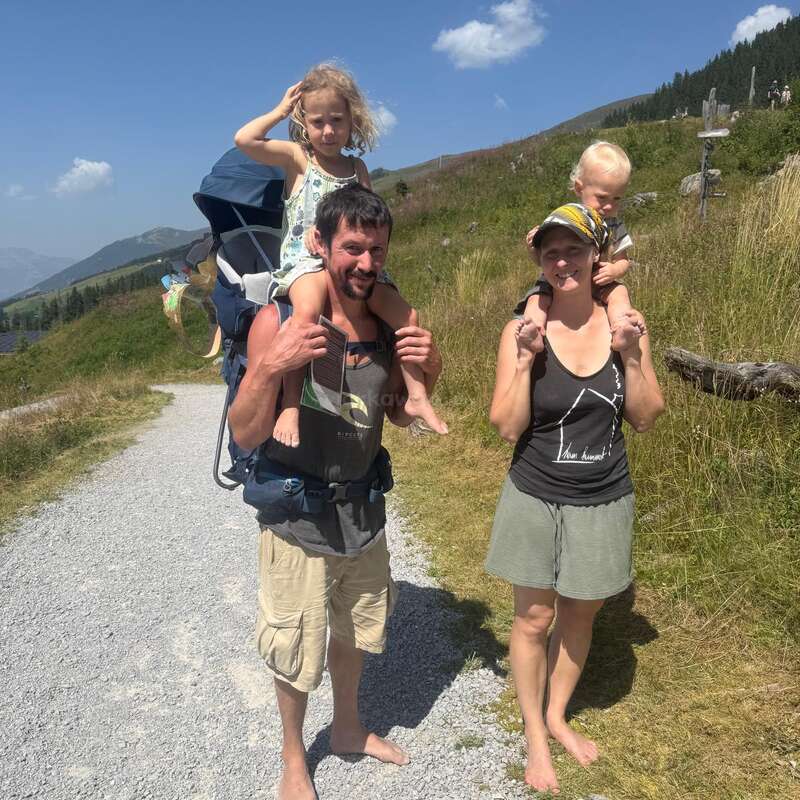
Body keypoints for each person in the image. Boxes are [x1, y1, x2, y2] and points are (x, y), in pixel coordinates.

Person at [228, 184, 443, 800]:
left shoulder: (384, 323)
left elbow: (396, 414)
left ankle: (347, 728)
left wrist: (427, 368)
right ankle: (294, 758)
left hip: (363, 515)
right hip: (296, 518)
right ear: (319, 245)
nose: (366, 264)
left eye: (376, 250)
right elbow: (246, 432)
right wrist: (270, 366)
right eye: (352, 248)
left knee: (354, 631)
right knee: (296, 648)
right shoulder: (279, 319)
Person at [485, 204, 664, 794]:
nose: (563, 261)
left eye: (574, 251)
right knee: (534, 617)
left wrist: (633, 355)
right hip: (535, 493)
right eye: (551, 252)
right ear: (540, 261)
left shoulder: (624, 326)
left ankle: (558, 714)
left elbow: (646, 417)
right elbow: (506, 427)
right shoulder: (522, 329)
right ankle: (535, 733)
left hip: (604, 495)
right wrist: (524, 358)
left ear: (595, 259)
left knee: (581, 611)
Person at [234, 62, 447, 448]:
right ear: (304, 123)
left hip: (353, 263)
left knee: (408, 317)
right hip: (307, 265)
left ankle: (416, 394)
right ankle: (293, 405)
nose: (328, 131)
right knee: (305, 321)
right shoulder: (298, 159)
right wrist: (280, 112)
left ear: (352, 121)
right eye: (318, 122)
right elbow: (245, 140)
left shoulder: (357, 166)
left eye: (337, 120)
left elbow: (370, 214)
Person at [520, 142, 641, 353]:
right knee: (537, 298)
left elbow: (623, 260)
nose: (610, 206)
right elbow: (544, 260)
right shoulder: (568, 218)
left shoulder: (615, 225)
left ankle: (621, 328)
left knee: (620, 292)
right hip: (560, 277)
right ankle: (533, 332)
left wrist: (614, 271)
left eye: (617, 198)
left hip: (598, 279)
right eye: (602, 197)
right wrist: (533, 249)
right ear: (579, 188)